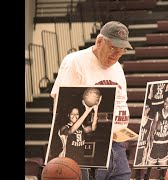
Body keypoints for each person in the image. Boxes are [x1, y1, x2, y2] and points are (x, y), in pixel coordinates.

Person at [51, 21, 133, 179]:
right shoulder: (75, 62)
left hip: (117, 145)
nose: (116, 54)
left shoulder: (117, 68)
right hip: (85, 145)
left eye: (121, 49)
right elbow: (60, 109)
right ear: (99, 41)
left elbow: (122, 101)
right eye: (113, 48)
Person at [58, 96, 100, 164]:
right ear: (69, 115)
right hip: (67, 160)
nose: (75, 116)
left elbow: (93, 128)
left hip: (80, 160)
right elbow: (71, 130)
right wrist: (87, 111)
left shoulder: (81, 126)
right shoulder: (64, 128)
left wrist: (96, 110)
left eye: (77, 114)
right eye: (72, 114)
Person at [147, 94, 168, 166]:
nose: (167, 103)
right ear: (163, 102)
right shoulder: (158, 113)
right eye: (165, 101)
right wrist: (151, 145)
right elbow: (152, 131)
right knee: (148, 169)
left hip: (165, 144)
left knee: (163, 170)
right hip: (155, 143)